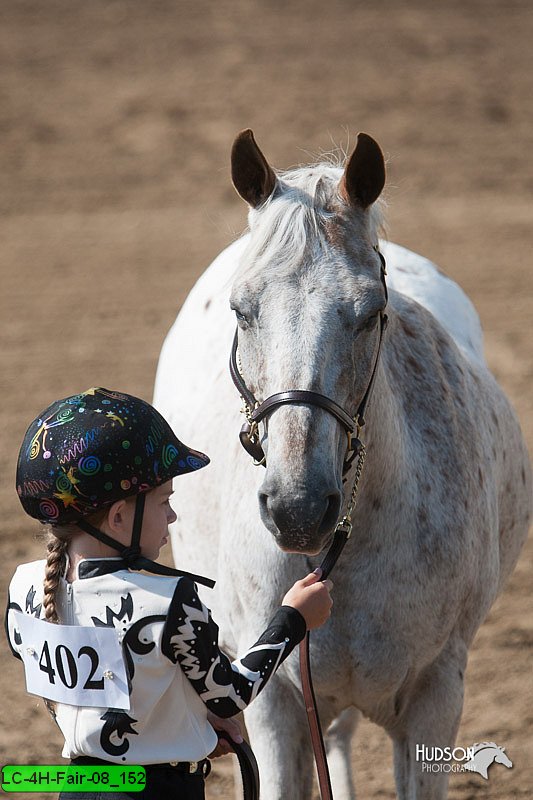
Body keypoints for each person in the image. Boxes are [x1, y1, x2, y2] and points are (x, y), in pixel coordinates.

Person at [5, 387, 333, 799]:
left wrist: (181, 723)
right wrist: (293, 619)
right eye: (164, 502)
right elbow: (230, 694)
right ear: (120, 516)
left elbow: (111, 691)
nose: (173, 516)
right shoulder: (169, 599)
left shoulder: (25, 589)